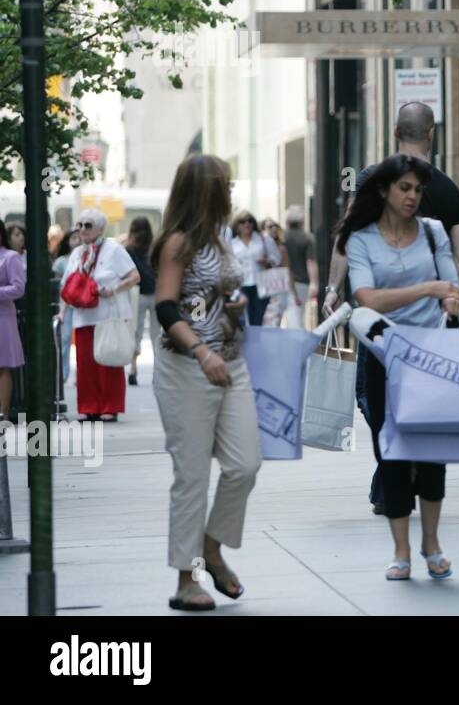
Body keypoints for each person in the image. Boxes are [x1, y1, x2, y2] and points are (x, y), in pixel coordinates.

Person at [339, 154, 459, 581]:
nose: (412, 197)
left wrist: (451, 298)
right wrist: (429, 289)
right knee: (390, 452)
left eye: (417, 189)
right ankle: (401, 551)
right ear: (384, 192)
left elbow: (452, 287)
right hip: (384, 359)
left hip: (430, 358)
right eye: (404, 188)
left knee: (430, 453)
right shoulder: (361, 240)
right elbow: (367, 298)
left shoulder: (432, 233)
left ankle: (431, 543)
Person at [151, 154, 260, 612]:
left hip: (232, 364)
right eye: (226, 185)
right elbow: (166, 307)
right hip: (188, 367)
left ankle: (212, 547)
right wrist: (201, 350)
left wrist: (230, 310)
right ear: (207, 191)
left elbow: (210, 296)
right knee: (192, 476)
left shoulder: (220, 236)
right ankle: (186, 579)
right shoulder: (179, 241)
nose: (231, 191)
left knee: (244, 465)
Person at [322, 102, 459, 323]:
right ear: (431, 134)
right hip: (429, 326)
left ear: (396, 131)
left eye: (416, 190)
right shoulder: (450, 190)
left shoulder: (371, 179)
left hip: (378, 326)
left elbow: (346, 235)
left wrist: (333, 288)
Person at [60, 208, 140, 423]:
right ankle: (89, 407)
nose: (82, 229)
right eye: (80, 225)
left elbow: (134, 276)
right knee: (85, 364)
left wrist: (113, 289)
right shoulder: (77, 253)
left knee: (108, 362)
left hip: (108, 315)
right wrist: (62, 311)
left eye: (88, 225)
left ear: (101, 228)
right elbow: (68, 286)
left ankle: (110, 406)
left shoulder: (113, 249)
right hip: (83, 315)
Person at [229, 211, 279, 327]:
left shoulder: (263, 239)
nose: (247, 224)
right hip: (241, 285)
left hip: (260, 284)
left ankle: (255, 342)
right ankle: (246, 341)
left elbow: (276, 258)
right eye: (243, 222)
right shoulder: (232, 243)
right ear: (237, 226)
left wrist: (267, 261)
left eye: (250, 221)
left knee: (258, 318)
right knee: (244, 318)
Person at [124, 217, 157, 387]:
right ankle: (157, 371)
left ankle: (133, 369)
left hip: (137, 293)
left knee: (135, 331)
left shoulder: (129, 249)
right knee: (155, 333)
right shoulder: (155, 247)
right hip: (156, 293)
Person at [0, 225, 26, 422]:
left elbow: (18, 288)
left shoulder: (10, 257)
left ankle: (3, 414)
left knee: (3, 366)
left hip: (3, 317)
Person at [282, 206, 318, 330]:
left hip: (282, 282)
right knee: (297, 316)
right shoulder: (307, 238)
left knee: (290, 316)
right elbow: (311, 262)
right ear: (302, 220)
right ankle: (296, 345)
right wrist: (314, 283)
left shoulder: (282, 237)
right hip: (301, 283)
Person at [52, 229, 79, 389]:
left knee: (82, 342)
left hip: (82, 304)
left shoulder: (86, 257)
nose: (76, 241)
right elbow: (56, 285)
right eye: (73, 238)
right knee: (65, 340)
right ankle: (62, 374)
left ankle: (78, 376)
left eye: (78, 238)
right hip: (65, 304)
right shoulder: (61, 261)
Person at [259, 218, 291, 328]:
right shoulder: (259, 245)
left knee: (276, 318)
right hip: (264, 286)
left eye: (275, 225)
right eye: (269, 226)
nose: (273, 228)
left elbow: (287, 269)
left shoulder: (281, 246)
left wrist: (293, 293)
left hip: (279, 285)